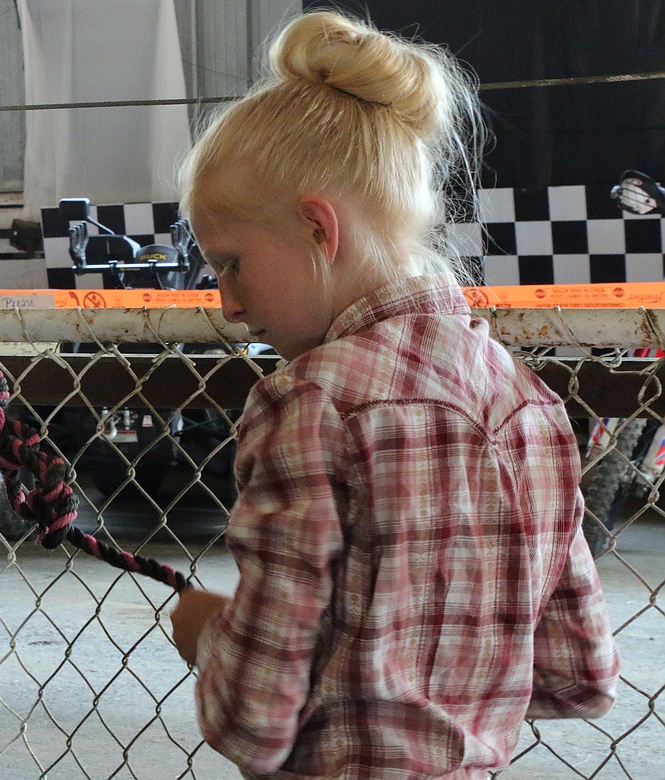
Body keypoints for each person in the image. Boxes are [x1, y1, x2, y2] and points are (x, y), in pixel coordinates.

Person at [168, 9, 620, 779]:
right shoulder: (529, 405)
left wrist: (208, 633)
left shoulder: (310, 403)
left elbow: (252, 716)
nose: (229, 302)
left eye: (233, 262)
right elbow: (579, 674)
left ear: (319, 228)